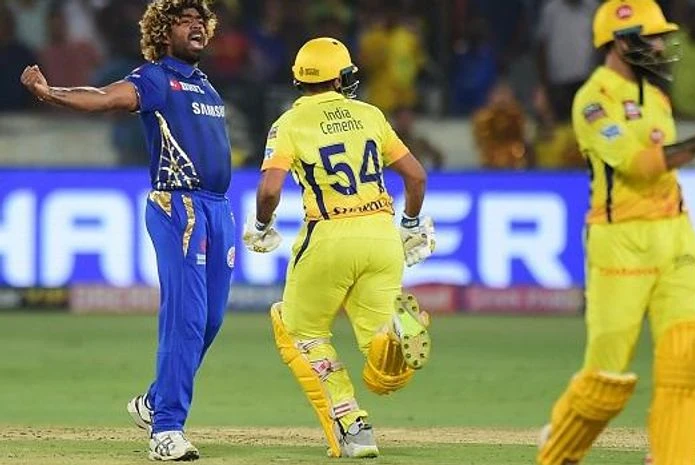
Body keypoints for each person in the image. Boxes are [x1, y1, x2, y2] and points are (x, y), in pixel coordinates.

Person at [536, 1, 695, 465]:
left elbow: (667, 181)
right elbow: (640, 167)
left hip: (674, 237)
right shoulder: (593, 100)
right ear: (621, 42)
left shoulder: (657, 97)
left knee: (688, 363)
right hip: (620, 243)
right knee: (606, 380)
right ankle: (560, 446)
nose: (661, 45)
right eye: (653, 37)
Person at [21, 1, 233, 461]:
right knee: (186, 319)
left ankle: (156, 401)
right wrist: (50, 93)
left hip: (219, 209)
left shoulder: (205, 84)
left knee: (210, 320)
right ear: (163, 32)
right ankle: (166, 430)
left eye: (200, 19)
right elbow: (103, 97)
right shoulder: (156, 78)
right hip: (179, 206)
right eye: (184, 20)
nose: (196, 25)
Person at [242, 37, 436, 458]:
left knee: (298, 329)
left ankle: (352, 424)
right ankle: (398, 332)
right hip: (381, 235)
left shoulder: (288, 124)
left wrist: (261, 224)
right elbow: (416, 176)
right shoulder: (370, 114)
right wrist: (410, 224)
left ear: (299, 79)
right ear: (342, 77)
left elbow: (270, 189)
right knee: (381, 362)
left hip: (329, 234)